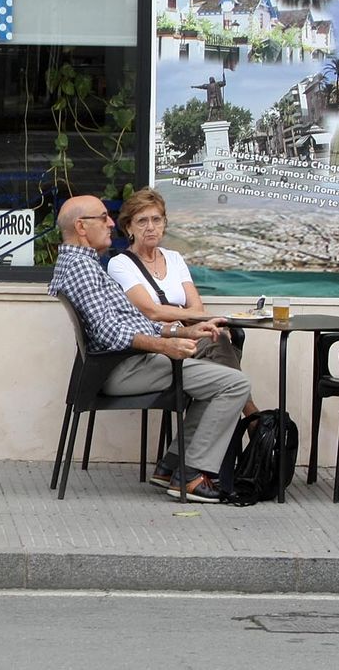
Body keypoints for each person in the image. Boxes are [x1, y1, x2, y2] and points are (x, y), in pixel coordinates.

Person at [48, 194, 251, 504]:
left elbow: (131, 322)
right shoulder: (84, 268)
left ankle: (172, 467)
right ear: (81, 227)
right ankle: (192, 473)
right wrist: (166, 346)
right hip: (122, 369)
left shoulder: (83, 263)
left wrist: (182, 331)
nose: (110, 223)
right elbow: (110, 331)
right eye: (104, 217)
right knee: (234, 383)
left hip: (124, 364)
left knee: (217, 373)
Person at [108, 187, 258, 431]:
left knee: (217, 338)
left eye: (156, 219)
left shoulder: (174, 258)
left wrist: (200, 323)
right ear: (129, 228)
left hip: (184, 336)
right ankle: (250, 416)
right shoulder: (120, 264)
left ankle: (191, 452)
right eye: (142, 221)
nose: (150, 227)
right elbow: (151, 311)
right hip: (156, 343)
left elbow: (195, 304)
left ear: (164, 223)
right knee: (219, 348)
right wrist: (198, 321)